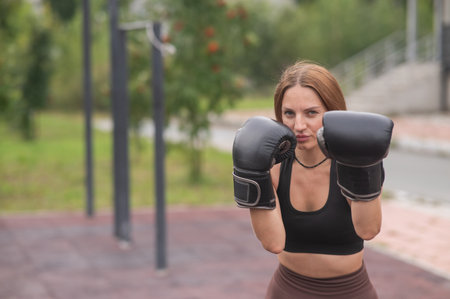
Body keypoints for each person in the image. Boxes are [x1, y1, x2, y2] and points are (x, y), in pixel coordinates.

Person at [232, 60, 394, 298]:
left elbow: (368, 229)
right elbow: (273, 243)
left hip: (349, 292)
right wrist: (253, 173)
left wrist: (361, 167)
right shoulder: (273, 166)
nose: (299, 125)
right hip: (287, 290)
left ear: (332, 113)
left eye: (311, 113)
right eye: (289, 113)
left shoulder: (352, 160)